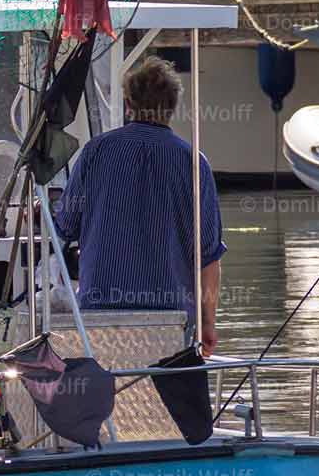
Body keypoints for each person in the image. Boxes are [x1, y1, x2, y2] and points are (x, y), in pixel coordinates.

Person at [53, 55, 225, 355]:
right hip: (171, 319)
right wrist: (208, 322)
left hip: (101, 313)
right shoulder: (194, 163)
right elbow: (208, 255)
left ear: (129, 104)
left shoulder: (96, 152)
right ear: (172, 107)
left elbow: (65, 225)